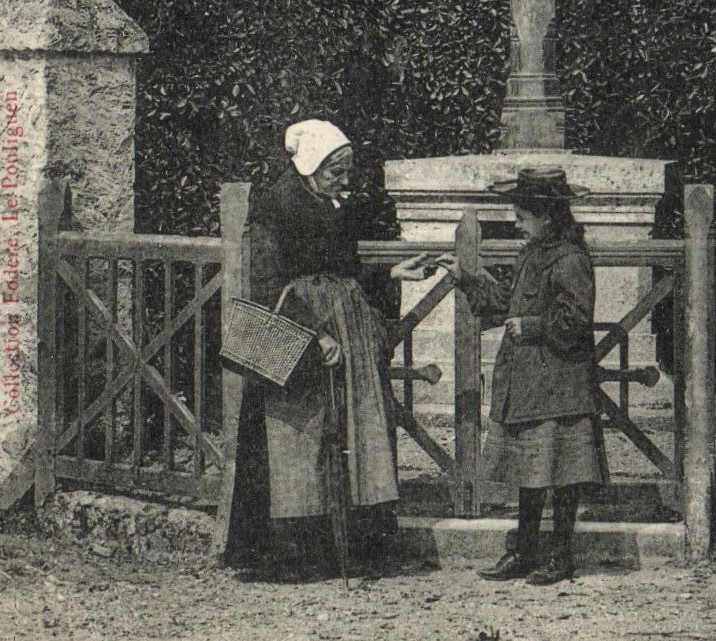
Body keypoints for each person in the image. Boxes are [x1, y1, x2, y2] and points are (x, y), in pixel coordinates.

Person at [224, 118, 433, 578]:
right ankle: (292, 552)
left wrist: (392, 273)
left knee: (349, 433)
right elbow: (267, 284)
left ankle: (345, 546)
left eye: (346, 170)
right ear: (309, 164)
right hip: (297, 337)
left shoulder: (328, 204)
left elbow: (341, 268)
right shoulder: (275, 209)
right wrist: (313, 335)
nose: (344, 179)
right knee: (296, 439)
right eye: (336, 170)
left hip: (344, 332)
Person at [454, 166, 608, 585]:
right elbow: (506, 302)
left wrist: (534, 326)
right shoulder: (531, 254)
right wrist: (465, 280)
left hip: (559, 385)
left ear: (548, 217)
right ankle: (524, 551)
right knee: (530, 472)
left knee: (563, 476)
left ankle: (561, 555)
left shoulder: (571, 259)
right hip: (531, 384)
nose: (517, 223)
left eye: (522, 216)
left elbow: (576, 320)